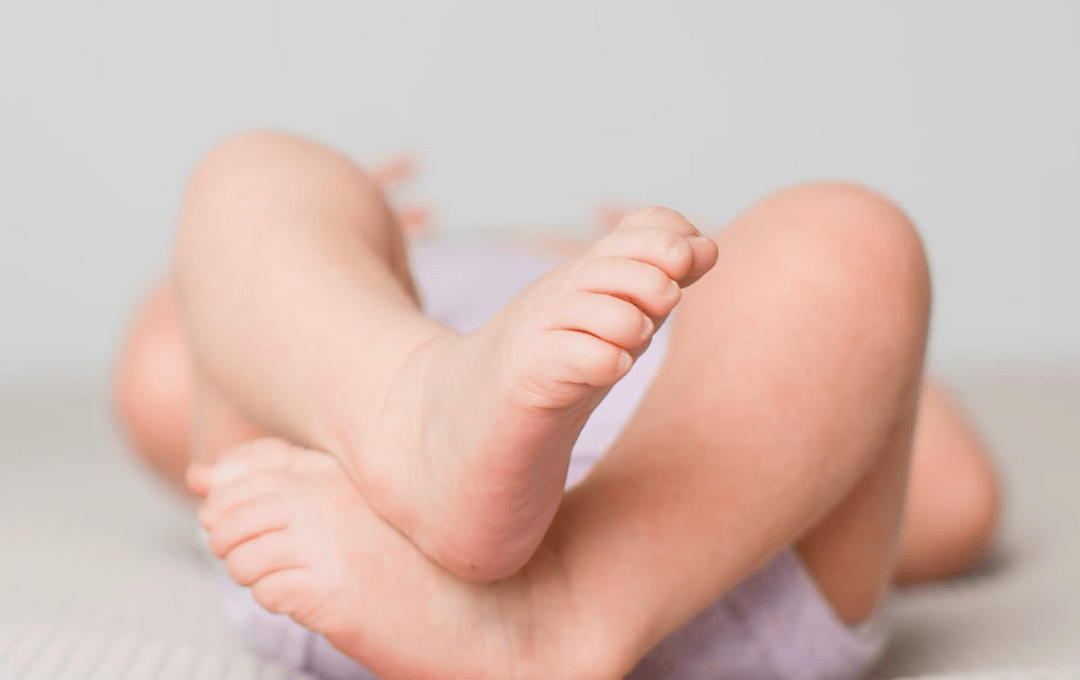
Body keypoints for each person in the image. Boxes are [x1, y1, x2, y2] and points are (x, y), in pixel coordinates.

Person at [114, 131, 1002, 680]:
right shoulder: (371, 290)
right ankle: (414, 412)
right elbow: (171, 362)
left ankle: (558, 606)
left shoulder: (708, 294)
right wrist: (317, 227)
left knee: (842, 233)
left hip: (684, 565)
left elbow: (951, 492)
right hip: (362, 530)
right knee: (259, 169)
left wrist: (744, 275)